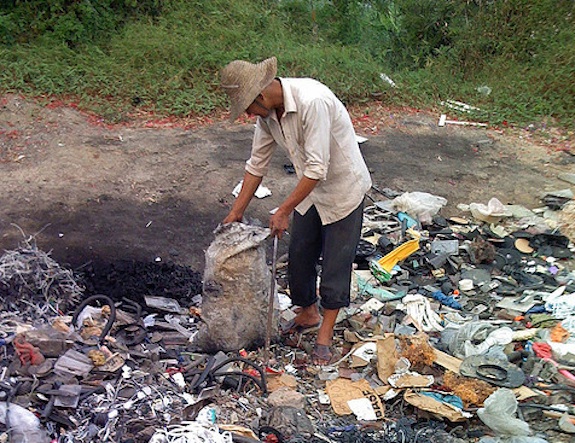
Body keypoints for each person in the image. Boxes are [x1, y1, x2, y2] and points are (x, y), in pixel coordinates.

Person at [220, 56, 372, 365]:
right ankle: (307, 314)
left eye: (248, 108)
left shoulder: (312, 101)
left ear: (259, 96)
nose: (249, 114)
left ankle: (325, 334)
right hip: (310, 192)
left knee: (335, 264)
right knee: (300, 254)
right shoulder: (267, 117)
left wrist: (283, 210)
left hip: (343, 188)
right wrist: (235, 212)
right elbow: (256, 165)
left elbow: (318, 168)